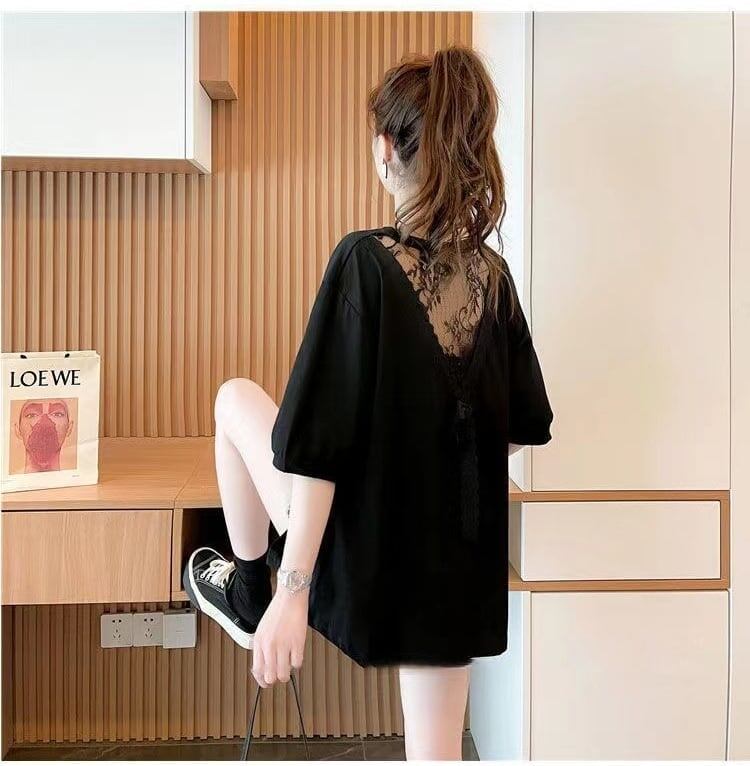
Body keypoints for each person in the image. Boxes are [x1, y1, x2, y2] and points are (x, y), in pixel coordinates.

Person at [183, 43, 553, 760]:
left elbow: (316, 447)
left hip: (357, 552)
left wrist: (294, 591)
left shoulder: (364, 260)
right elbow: (516, 430)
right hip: (454, 563)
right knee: (437, 752)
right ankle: (257, 587)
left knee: (234, 399)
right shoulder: (494, 277)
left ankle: (251, 587)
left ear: (386, 149)